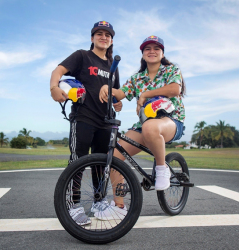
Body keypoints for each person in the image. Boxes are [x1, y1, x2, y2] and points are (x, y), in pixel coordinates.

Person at [96, 35, 186, 220]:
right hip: (143, 125)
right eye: (147, 48)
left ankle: (162, 169)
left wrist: (146, 94)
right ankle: (119, 206)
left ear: (162, 52)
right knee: (114, 157)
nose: (151, 51)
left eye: (156, 48)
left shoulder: (171, 70)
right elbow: (121, 93)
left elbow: (175, 89)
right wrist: (107, 90)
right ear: (143, 54)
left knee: (151, 127)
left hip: (171, 121)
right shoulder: (137, 78)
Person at [50, 21, 122, 225]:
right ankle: (73, 205)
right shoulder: (82, 56)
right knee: (78, 162)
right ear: (92, 38)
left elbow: (115, 93)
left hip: (106, 122)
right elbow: (58, 71)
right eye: (99, 34)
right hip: (83, 117)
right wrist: (53, 88)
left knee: (101, 164)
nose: (103, 37)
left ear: (111, 40)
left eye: (107, 35)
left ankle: (99, 203)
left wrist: (117, 103)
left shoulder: (113, 67)